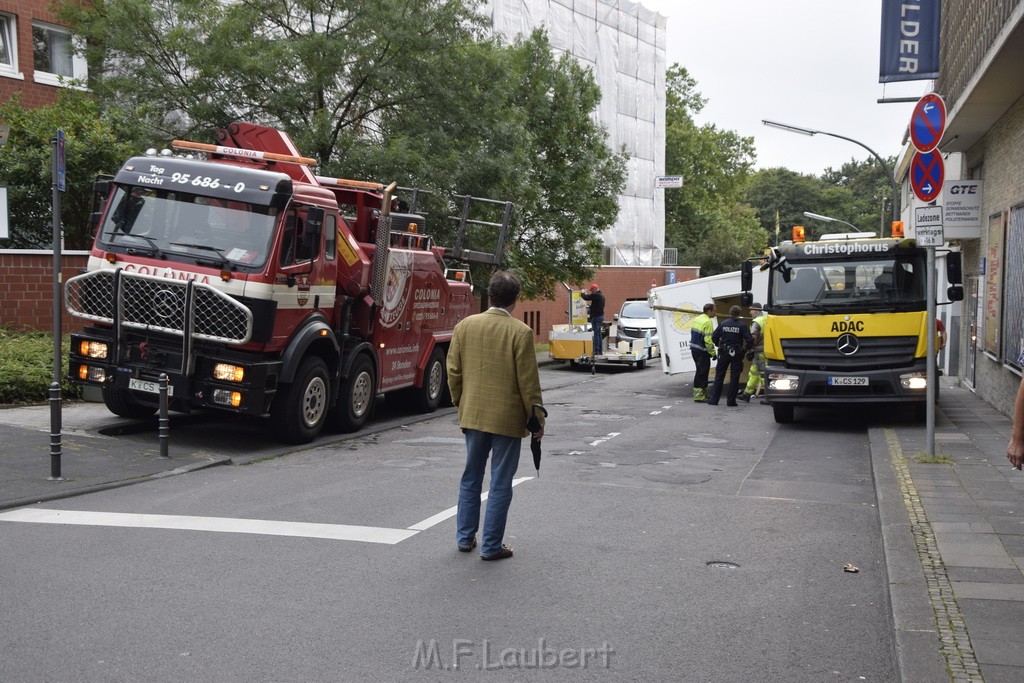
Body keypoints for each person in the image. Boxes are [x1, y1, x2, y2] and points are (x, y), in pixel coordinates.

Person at [447, 271, 545, 561]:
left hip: (473, 414)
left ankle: (465, 538)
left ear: (489, 295)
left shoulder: (464, 326)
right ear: (515, 300)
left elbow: (454, 372)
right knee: (500, 483)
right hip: (507, 420)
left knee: (470, 478)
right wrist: (537, 420)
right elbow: (529, 383)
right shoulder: (520, 332)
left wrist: (461, 403)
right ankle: (491, 546)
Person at [707, 305, 754, 407]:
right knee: (734, 377)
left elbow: (714, 337)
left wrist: (718, 345)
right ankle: (731, 401)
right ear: (739, 314)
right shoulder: (742, 325)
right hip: (736, 353)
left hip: (723, 352)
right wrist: (744, 350)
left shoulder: (723, 324)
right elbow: (750, 340)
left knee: (719, 376)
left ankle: (713, 400)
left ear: (730, 312)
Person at [737, 303, 767, 403]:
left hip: (759, 351)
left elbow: (753, 338)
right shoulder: (766, 319)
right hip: (765, 350)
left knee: (763, 375)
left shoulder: (756, 322)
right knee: (753, 373)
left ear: (755, 310)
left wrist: (748, 349)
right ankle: (746, 394)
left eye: (751, 310)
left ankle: (770, 397)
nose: (750, 312)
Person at [689, 303, 717, 402]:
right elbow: (708, 340)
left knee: (701, 371)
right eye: (714, 310)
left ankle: (704, 394)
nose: (715, 312)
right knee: (702, 372)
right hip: (702, 351)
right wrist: (713, 353)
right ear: (709, 311)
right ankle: (699, 396)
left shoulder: (698, 319)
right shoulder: (708, 322)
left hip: (694, 350)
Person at [580, 283, 606, 355]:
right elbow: (597, 306)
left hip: (596, 317)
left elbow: (586, 297)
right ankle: (600, 350)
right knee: (599, 334)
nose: (591, 292)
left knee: (596, 334)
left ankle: (597, 351)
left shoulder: (596, 295)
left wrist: (582, 293)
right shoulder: (602, 296)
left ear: (595, 289)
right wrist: (591, 307)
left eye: (592, 290)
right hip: (600, 316)